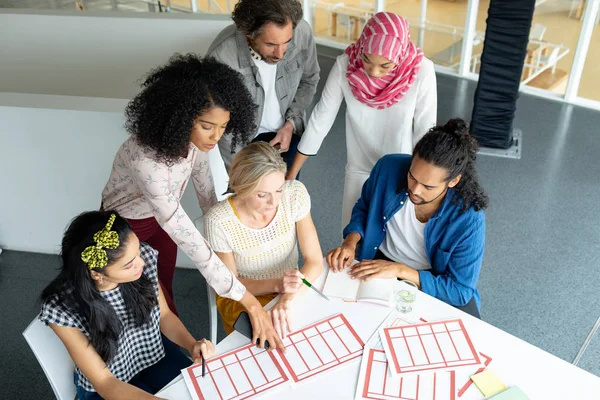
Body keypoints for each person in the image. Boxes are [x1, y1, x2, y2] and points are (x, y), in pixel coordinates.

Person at [101, 54, 282, 350]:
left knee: (164, 292)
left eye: (223, 126)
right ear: (181, 115)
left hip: (159, 223)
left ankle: (165, 347)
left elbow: (208, 196)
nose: (215, 136)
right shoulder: (147, 162)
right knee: (133, 298)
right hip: (124, 228)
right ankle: (135, 354)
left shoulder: (195, 142)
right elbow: (191, 242)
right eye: (208, 126)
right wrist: (248, 299)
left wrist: (228, 232)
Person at [39, 211, 215, 399]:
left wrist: (191, 344)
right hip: (108, 384)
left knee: (208, 390)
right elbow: (105, 382)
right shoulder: (61, 309)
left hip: (153, 354)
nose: (141, 262)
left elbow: (164, 316)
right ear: (96, 273)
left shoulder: (143, 261)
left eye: (138, 251)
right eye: (128, 264)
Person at [286, 12, 438, 229]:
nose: (374, 72)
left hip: (403, 170)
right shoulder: (345, 65)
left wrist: (419, 183)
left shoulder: (421, 70)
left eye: (385, 66)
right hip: (359, 167)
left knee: (390, 242)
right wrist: (291, 175)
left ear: (400, 55)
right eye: (367, 60)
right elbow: (321, 119)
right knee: (350, 237)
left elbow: (425, 132)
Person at [327, 119, 488, 318]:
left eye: (428, 187)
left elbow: (460, 291)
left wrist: (399, 271)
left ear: (453, 181)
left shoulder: (469, 219)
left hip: (431, 278)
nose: (415, 190)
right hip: (379, 258)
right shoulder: (388, 167)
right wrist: (350, 243)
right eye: (412, 176)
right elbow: (364, 207)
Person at [205, 142, 324, 338]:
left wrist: (286, 299)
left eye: (279, 190)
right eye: (262, 195)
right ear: (242, 189)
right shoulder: (218, 221)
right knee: (268, 347)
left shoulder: (294, 195)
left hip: (290, 288)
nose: (274, 202)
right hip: (243, 295)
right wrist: (278, 285)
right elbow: (231, 284)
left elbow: (315, 261)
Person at [206, 0, 320, 171]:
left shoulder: (302, 31)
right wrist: (239, 172)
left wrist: (291, 124)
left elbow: (309, 79)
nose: (280, 53)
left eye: (287, 42)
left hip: (287, 131)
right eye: (271, 45)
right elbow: (221, 120)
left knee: (286, 192)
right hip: (243, 142)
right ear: (248, 34)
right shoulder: (221, 56)